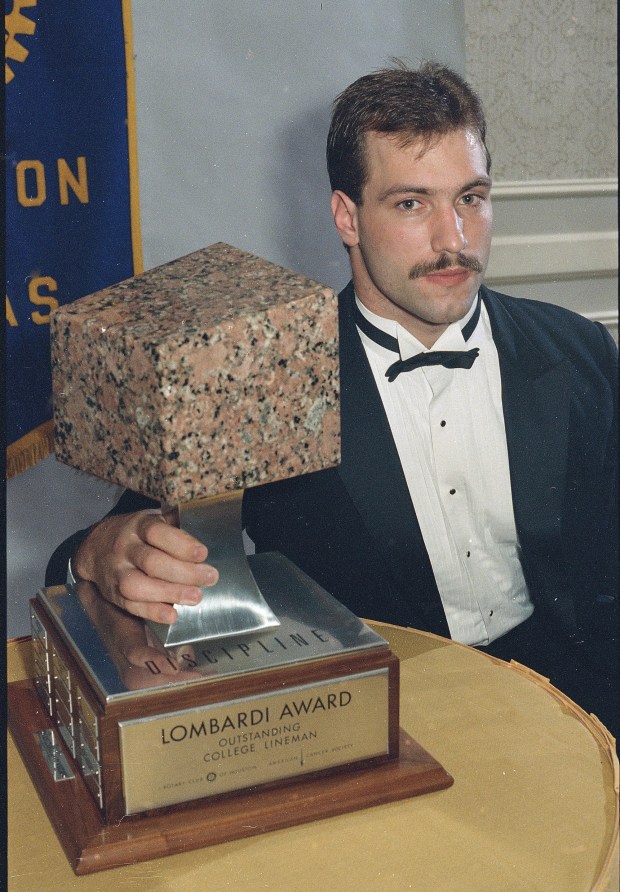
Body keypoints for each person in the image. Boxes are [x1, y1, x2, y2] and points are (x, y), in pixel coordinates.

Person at [46, 63, 618, 735]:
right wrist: (102, 550)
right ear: (347, 216)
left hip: (581, 713)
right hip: (382, 728)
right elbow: (101, 554)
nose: (454, 240)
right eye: (412, 204)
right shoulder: (262, 377)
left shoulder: (580, 351)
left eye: (471, 198)